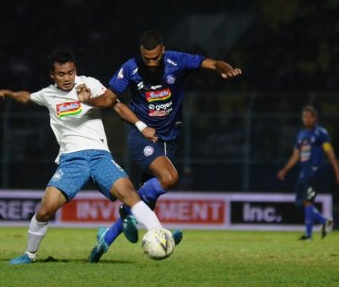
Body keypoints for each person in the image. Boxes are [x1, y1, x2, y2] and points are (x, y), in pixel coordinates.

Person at [76, 30, 242, 262]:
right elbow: (108, 99)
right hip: (142, 136)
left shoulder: (176, 60)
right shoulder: (131, 68)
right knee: (170, 178)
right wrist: (87, 101)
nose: (152, 63)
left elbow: (208, 62)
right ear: (141, 53)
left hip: (169, 139)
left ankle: (106, 238)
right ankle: (127, 212)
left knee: (146, 204)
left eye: (156, 58)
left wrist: (222, 66)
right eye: (147, 58)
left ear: (163, 51)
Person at [0, 50, 168, 264]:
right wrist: (9, 94)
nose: (67, 78)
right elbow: (27, 97)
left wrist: (141, 127)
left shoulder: (89, 84)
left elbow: (117, 105)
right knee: (45, 210)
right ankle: (29, 255)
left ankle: (160, 235)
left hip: (99, 156)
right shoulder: (48, 94)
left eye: (71, 72)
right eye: (61, 74)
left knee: (130, 194)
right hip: (71, 160)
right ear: (52, 75)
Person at [277, 105, 339, 240]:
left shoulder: (321, 134)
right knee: (300, 202)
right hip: (303, 173)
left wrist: (338, 172)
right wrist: (285, 169)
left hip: (315, 173)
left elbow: (329, 153)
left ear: (315, 118)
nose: (306, 119)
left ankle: (309, 235)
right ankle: (325, 222)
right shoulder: (300, 136)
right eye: (304, 116)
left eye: (309, 116)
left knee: (308, 201)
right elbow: (296, 155)